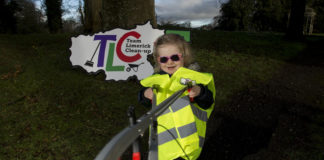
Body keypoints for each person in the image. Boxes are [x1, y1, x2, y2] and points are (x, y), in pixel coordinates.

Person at [138, 34, 215, 160]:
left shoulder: (193, 77)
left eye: (175, 57)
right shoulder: (156, 80)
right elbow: (143, 99)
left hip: (188, 146)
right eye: (164, 59)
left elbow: (208, 101)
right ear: (158, 60)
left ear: (184, 55)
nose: (170, 62)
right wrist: (146, 95)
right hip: (162, 147)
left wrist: (199, 91)